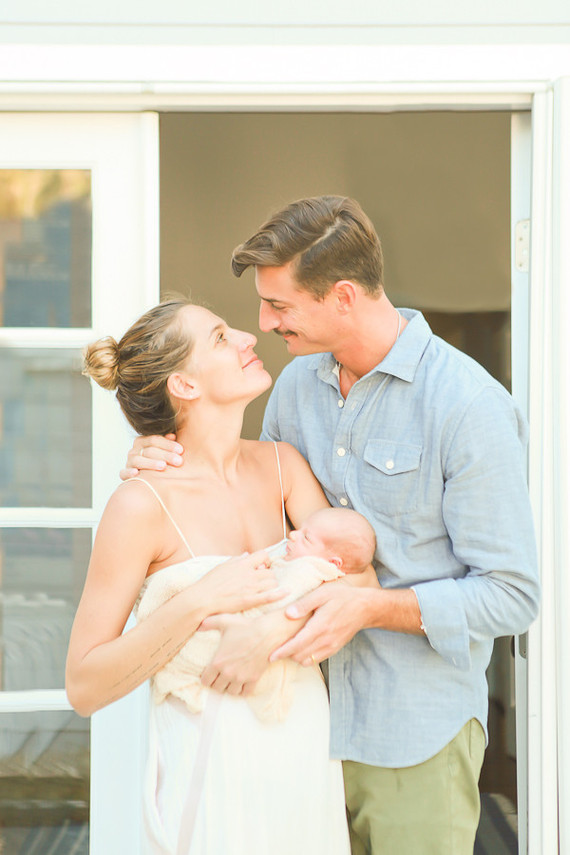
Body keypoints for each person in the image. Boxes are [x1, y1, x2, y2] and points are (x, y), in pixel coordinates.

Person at [123, 196, 540, 855]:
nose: (262, 323)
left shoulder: (469, 406)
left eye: (280, 306)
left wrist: (368, 607)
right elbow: (248, 506)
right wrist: (156, 449)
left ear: (343, 296)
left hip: (412, 737)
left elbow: (512, 595)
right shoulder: (292, 388)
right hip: (293, 734)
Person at [65, 298, 351, 855]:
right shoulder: (140, 505)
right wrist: (198, 601)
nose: (248, 336)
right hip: (212, 765)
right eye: (220, 338)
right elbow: (84, 686)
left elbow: (354, 578)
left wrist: (269, 631)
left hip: (306, 753)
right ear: (185, 386)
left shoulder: (282, 467)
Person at [137, 506, 378, 723]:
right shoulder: (300, 562)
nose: (292, 535)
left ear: (333, 561)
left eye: (306, 537)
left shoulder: (310, 572)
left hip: (246, 644)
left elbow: (280, 599)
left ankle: (182, 667)